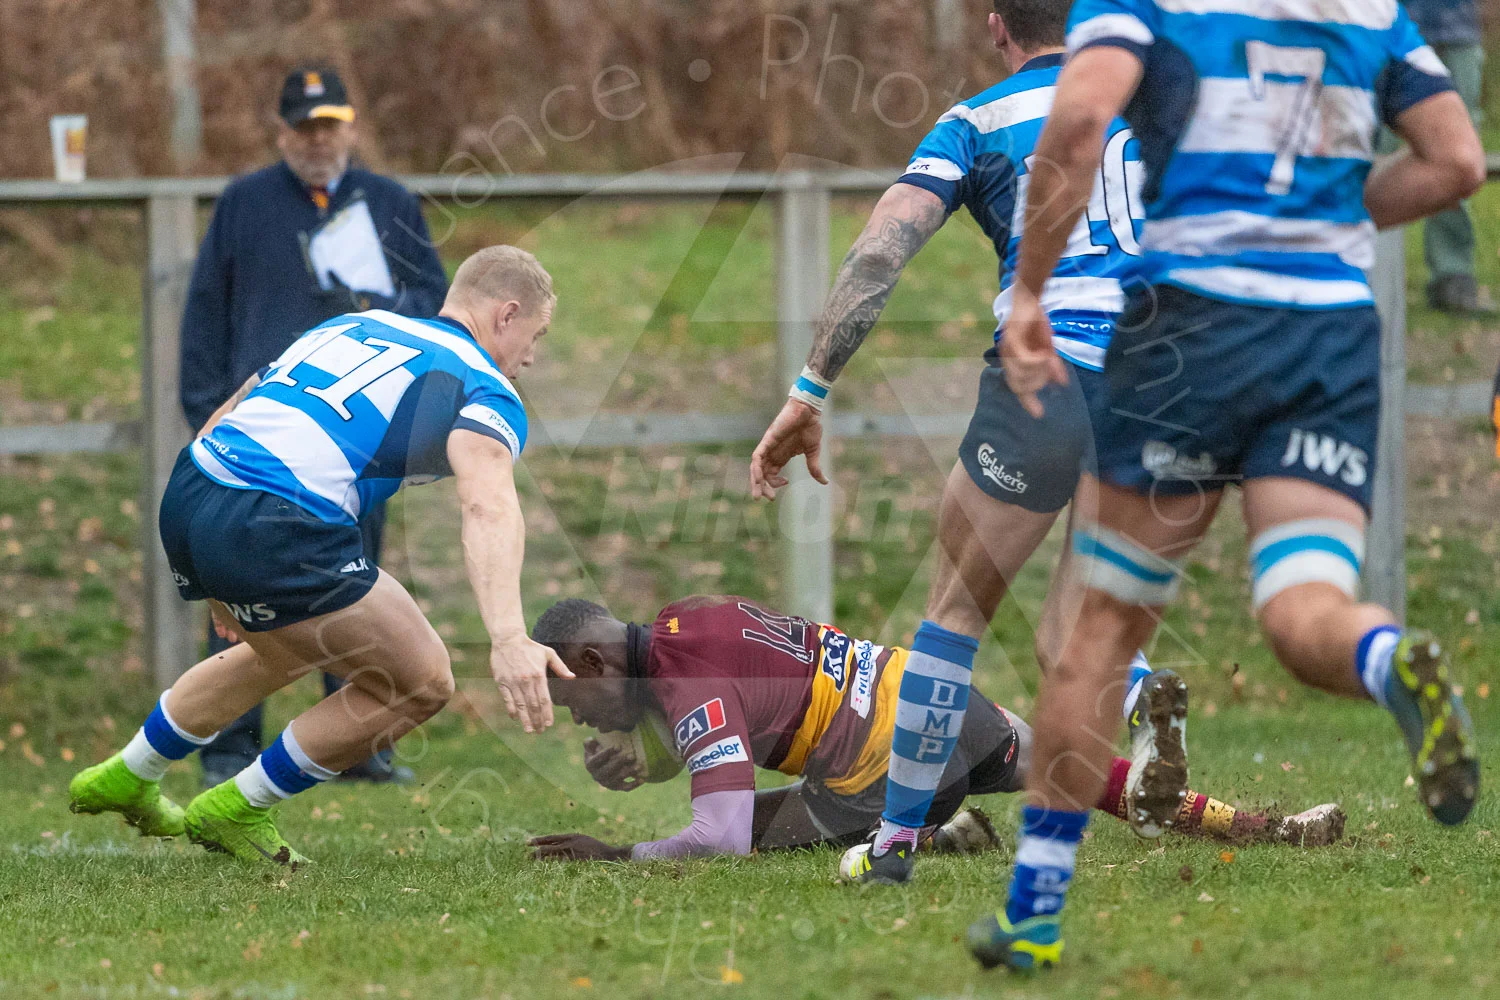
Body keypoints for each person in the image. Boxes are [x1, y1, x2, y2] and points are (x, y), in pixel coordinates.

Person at [968, 0, 1486, 970]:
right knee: (1304, 608)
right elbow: (1458, 160)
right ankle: (1386, 657)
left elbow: (1079, 123)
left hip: (1189, 332)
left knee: (1101, 625)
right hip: (1328, 336)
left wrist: (1030, 290)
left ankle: (1033, 915)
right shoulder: (1374, 6)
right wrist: (1332, 214)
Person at [750, 0, 1187, 888]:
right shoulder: (1163, 103)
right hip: (1167, 381)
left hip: (1048, 375)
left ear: (996, 27)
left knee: (953, 616)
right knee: (1079, 624)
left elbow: (880, 254)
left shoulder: (976, 121)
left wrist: (810, 389)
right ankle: (1141, 693)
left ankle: (897, 846)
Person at [69, 246, 570, 865]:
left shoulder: (352, 324)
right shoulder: (485, 386)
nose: (532, 355)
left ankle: (128, 773)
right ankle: (239, 806)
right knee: (420, 682)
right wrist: (509, 637)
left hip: (194, 488)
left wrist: (221, 562)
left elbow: (237, 406)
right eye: (536, 335)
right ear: (506, 314)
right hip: (275, 518)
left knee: (284, 648)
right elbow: (487, 503)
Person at [524, 596, 1345, 864]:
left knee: (769, 828)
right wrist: (653, 765)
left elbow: (721, 834)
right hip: (942, 698)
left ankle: (928, 830)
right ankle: (1273, 829)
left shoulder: (685, 687)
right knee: (1082, 775)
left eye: (573, 698)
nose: (578, 717)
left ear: (596, 663)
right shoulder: (684, 619)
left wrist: (620, 853)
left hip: (888, 764)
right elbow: (737, 713)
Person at [178, 65, 450, 786]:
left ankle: (356, 745)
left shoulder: (390, 202)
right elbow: (207, 308)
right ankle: (230, 747)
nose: (317, 139)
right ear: (281, 133)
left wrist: (386, 301)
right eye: (304, 127)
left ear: (351, 127)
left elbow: (435, 300)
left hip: (358, 440)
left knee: (354, 588)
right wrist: (204, 410)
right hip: (259, 443)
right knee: (241, 599)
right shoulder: (245, 202)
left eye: (329, 124)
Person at [1404, 0, 1493, 313]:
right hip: (1394, 26)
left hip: (1459, 31)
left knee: (1459, 158)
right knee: (1375, 153)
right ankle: (1364, 269)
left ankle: (1452, 277)